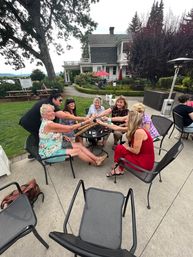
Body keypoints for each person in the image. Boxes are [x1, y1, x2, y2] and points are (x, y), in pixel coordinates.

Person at [39, 104, 107, 166]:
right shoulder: (49, 124)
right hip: (50, 153)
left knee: (79, 145)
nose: (53, 113)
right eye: (49, 112)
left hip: (56, 145)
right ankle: (95, 163)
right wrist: (85, 122)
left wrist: (63, 136)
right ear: (43, 115)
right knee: (78, 151)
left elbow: (51, 133)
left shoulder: (46, 122)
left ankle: (97, 159)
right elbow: (69, 128)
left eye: (53, 111)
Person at [97, 110, 155, 176]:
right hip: (140, 154)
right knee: (119, 147)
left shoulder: (139, 132)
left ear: (132, 121)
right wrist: (102, 123)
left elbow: (136, 151)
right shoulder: (134, 128)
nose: (125, 120)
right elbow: (116, 127)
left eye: (127, 119)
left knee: (123, 154)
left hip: (144, 162)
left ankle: (120, 170)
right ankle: (118, 165)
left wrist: (127, 146)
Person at [19, 92, 87, 140]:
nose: (61, 102)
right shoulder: (50, 105)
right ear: (53, 99)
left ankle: (38, 151)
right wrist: (84, 119)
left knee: (43, 134)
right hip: (29, 122)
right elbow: (65, 116)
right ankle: (42, 153)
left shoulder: (47, 101)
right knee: (42, 136)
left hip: (28, 120)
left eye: (62, 100)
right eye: (60, 100)